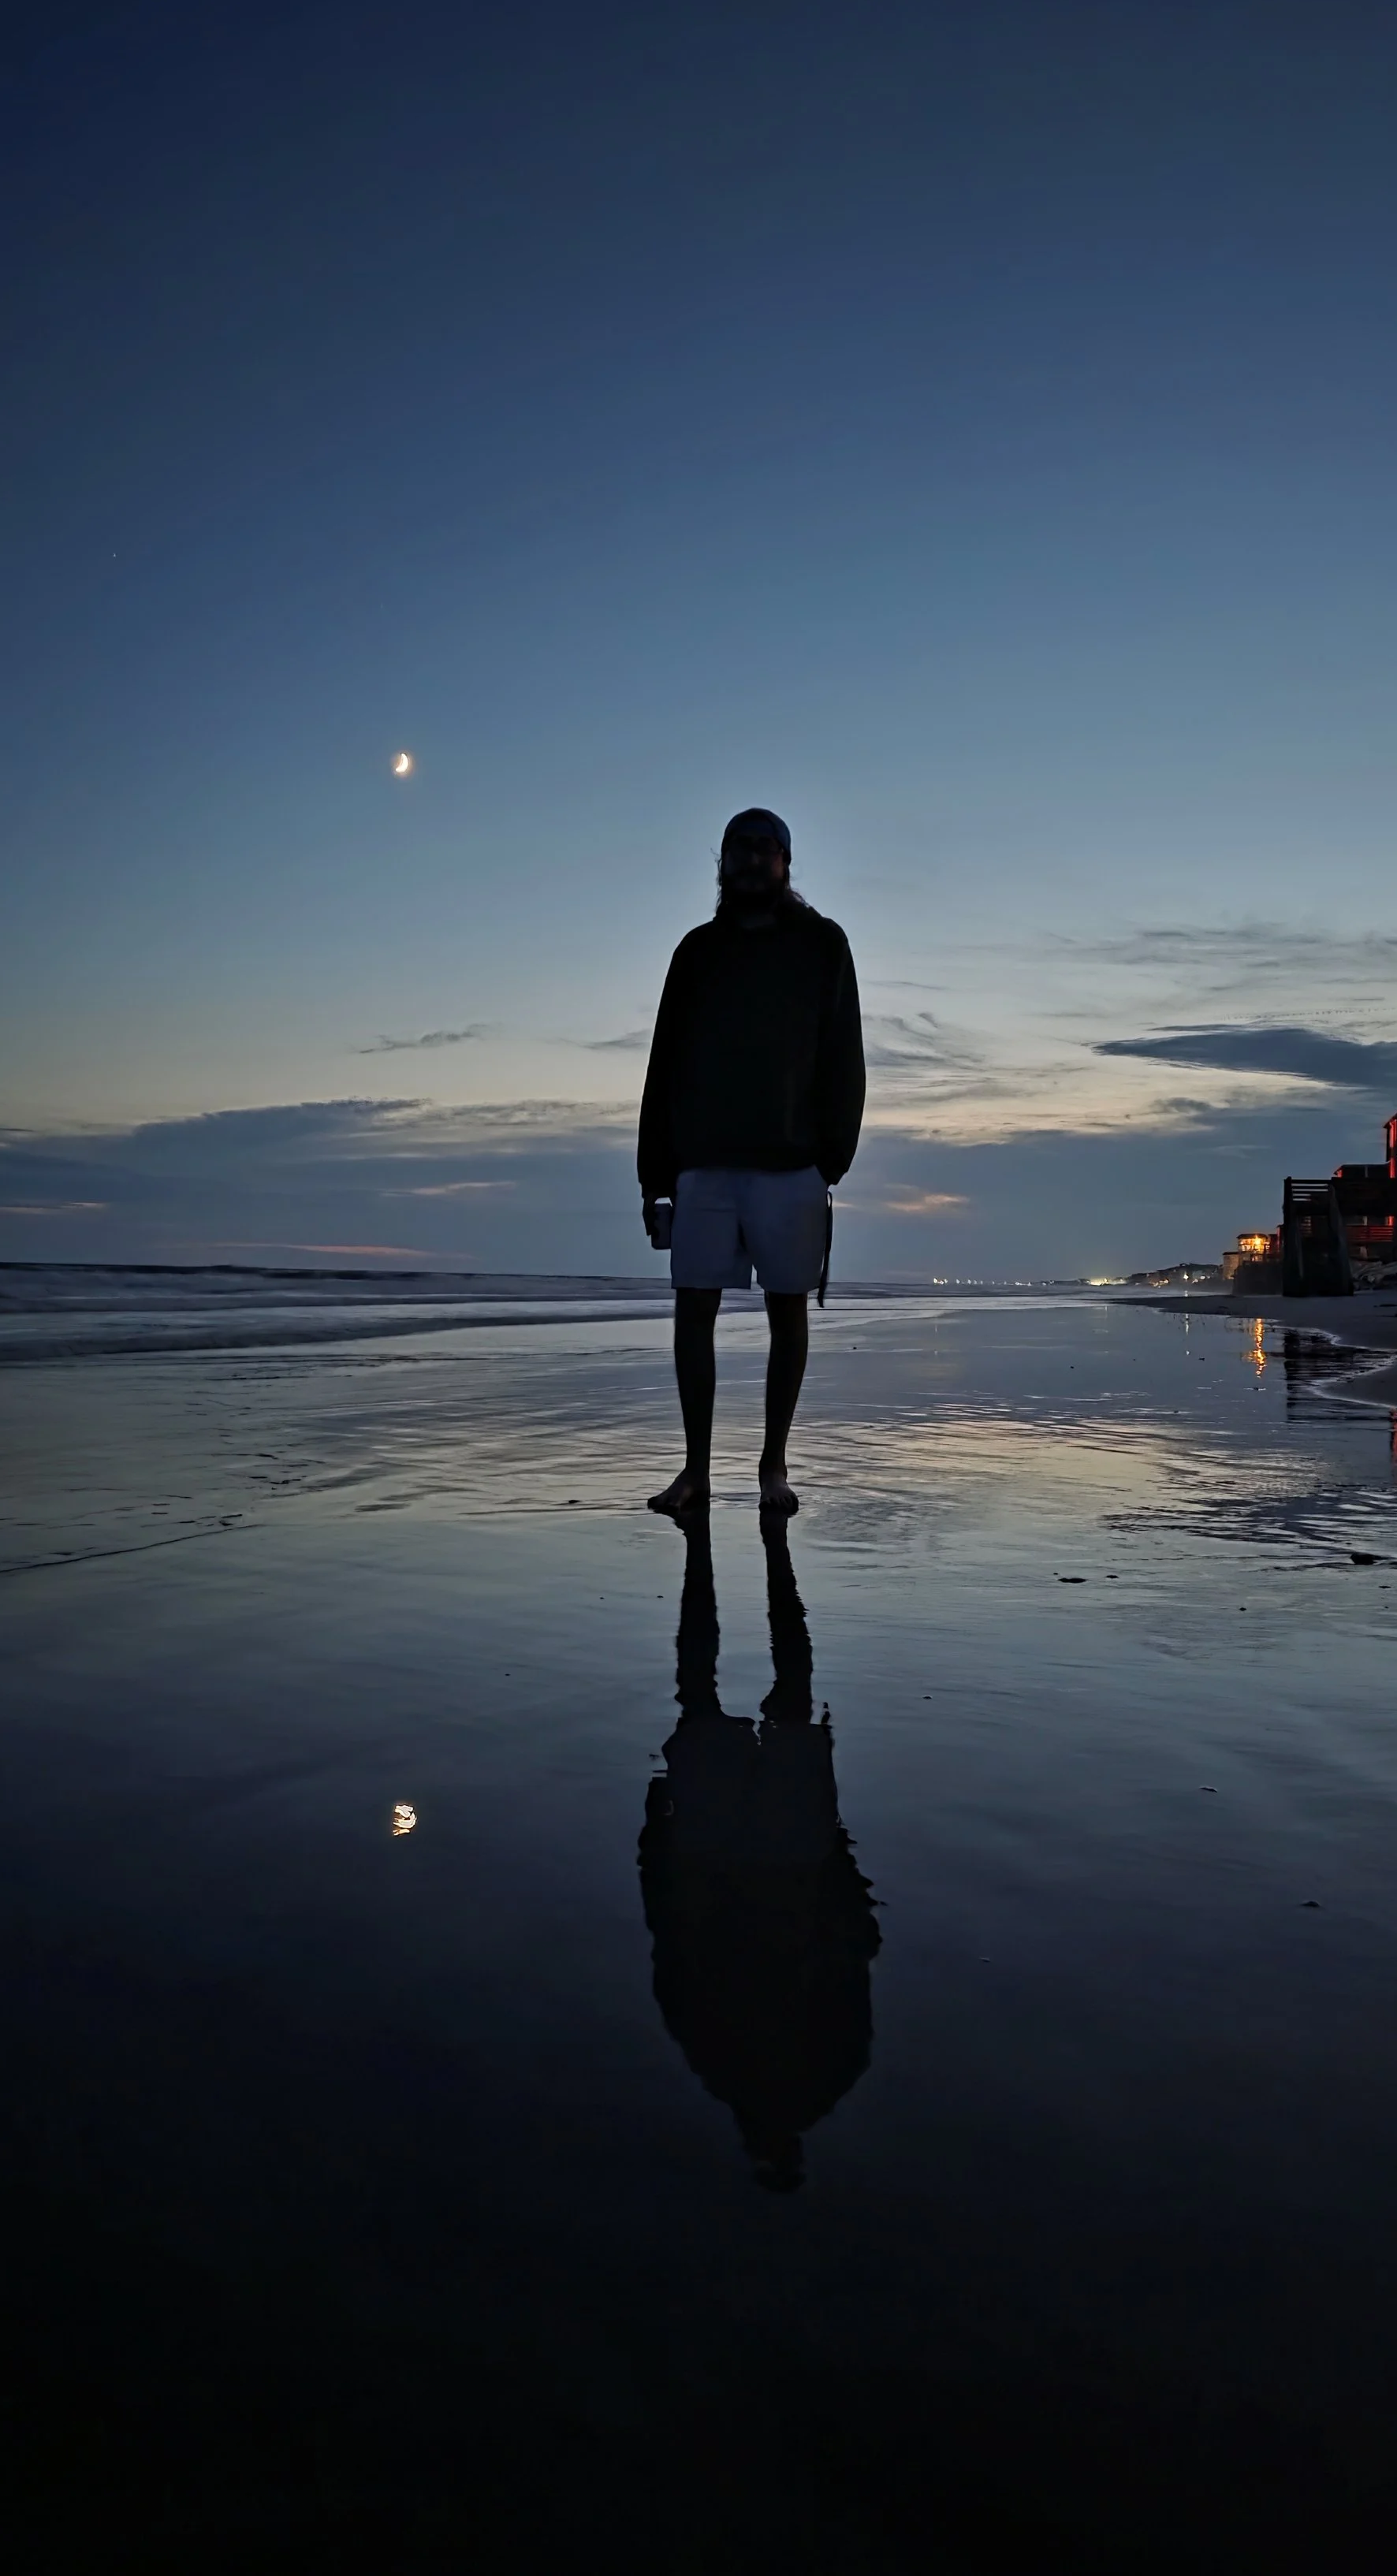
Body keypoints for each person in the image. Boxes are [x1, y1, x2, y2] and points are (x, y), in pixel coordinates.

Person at [637, 1509, 881, 2191]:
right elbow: (856, 1946)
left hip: (741, 1857)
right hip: (780, 1859)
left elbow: (670, 1939)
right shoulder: (819, 2065)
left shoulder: (725, 2058)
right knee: (767, 1703)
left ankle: (720, 1541)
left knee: (717, 1699)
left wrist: (656, 1836)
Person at [636, 808, 866, 1515]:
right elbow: (664, 1064)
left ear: (786, 862)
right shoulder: (696, 952)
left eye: (767, 849)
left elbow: (844, 1057)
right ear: (723, 863)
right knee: (693, 1307)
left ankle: (773, 1467)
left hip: (793, 1164)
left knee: (786, 1311)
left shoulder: (823, 946)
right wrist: (655, 1179)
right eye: (740, 848)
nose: (753, 859)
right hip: (703, 1165)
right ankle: (695, 1471)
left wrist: (832, 1158)